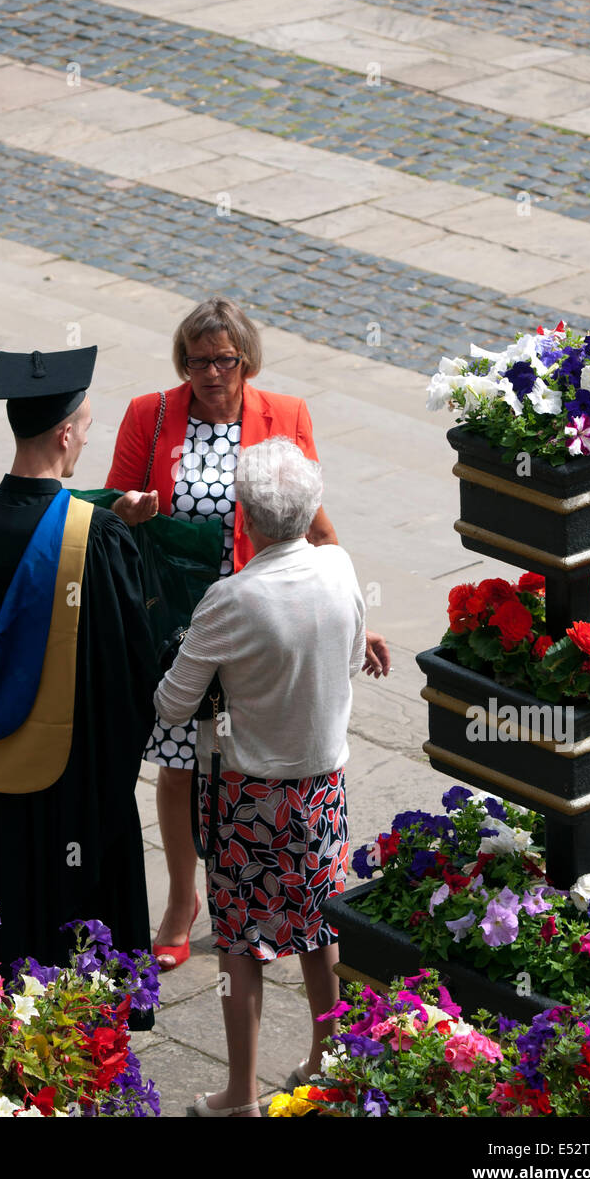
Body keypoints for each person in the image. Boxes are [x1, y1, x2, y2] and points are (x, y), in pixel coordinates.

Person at [106, 297, 390, 972]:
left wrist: (353, 606)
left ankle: (262, 899)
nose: (210, 373)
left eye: (223, 360)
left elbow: (311, 520)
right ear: (183, 363)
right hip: (181, 626)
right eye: (197, 360)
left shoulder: (285, 417)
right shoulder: (149, 416)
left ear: (245, 360)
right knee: (177, 766)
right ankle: (182, 900)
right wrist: (131, 512)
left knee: (246, 769)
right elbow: (107, 516)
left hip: (259, 623)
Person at [0, 347, 158, 1002]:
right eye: (87, 429)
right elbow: (125, 683)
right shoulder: (93, 539)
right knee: (58, 962)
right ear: (66, 433)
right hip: (62, 799)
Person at [154, 436, 371, 1115]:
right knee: (319, 929)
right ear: (311, 510)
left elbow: (171, 703)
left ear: (244, 517)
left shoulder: (231, 598)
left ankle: (240, 1095)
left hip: (246, 794)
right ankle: (323, 1060)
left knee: (242, 946)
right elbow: (355, 655)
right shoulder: (339, 568)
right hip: (322, 787)